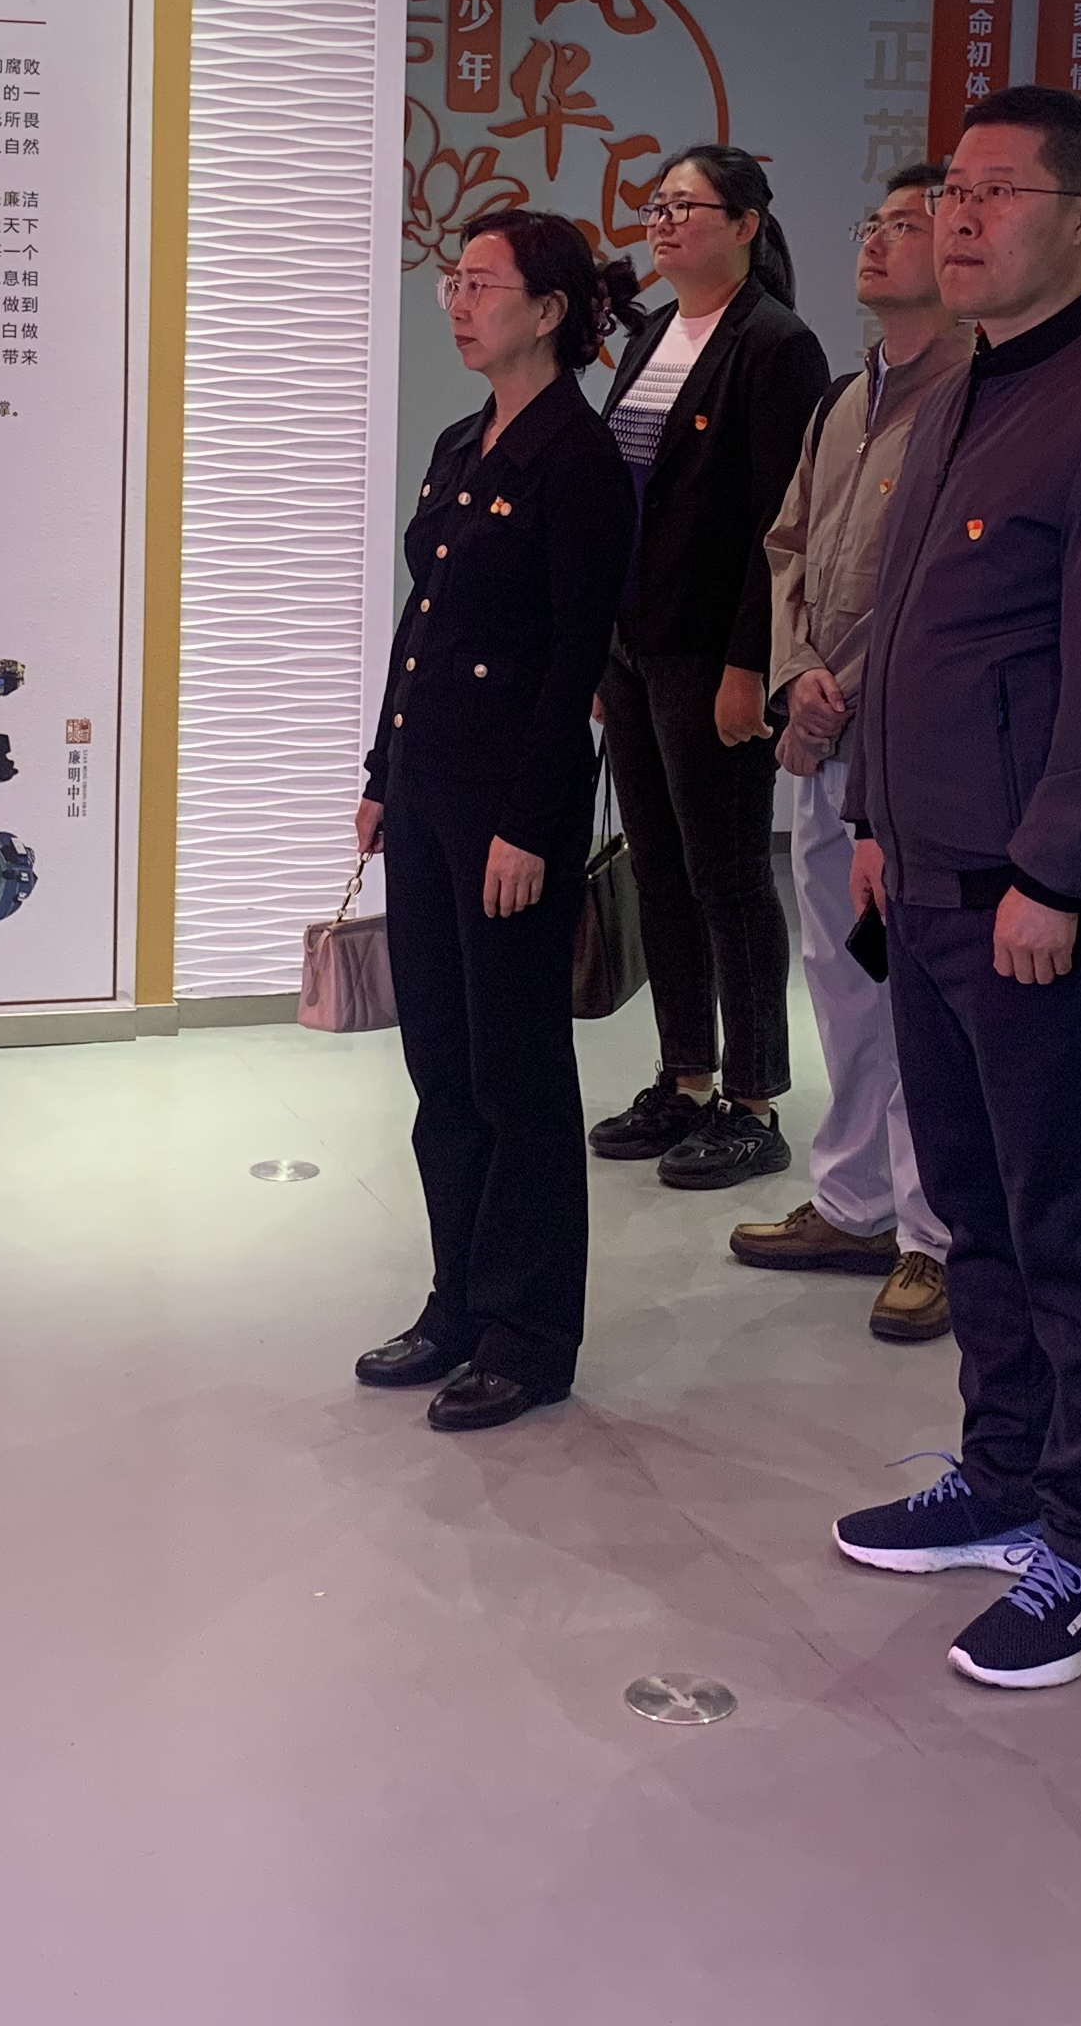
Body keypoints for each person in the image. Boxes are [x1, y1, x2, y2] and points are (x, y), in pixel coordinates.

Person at [825, 87, 1081, 1691]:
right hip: (931, 879)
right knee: (975, 1208)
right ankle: (1004, 1475)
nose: (961, 219)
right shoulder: (965, 385)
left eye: (999, 192)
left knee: (1075, 1224)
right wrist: (873, 814)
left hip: (1049, 904)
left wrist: (1056, 872)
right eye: (951, 195)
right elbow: (909, 628)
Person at [354, 208, 638, 1432]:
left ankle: (530, 1334)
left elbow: (575, 664)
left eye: (484, 284)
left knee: (517, 1072)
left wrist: (531, 823)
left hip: (508, 811)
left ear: (550, 310)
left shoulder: (579, 459)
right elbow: (422, 627)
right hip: (428, 790)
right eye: (453, 284)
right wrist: (382, 769)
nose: (461, 305)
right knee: (442, 1065)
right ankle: (458, 1301)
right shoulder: (463, 439)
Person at [730, 167, 965, 1345]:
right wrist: (793, 678)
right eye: (872, 223)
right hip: (819, 741)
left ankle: (936, 1233)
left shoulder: (974, 396)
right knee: (839, 980)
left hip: (912, 757)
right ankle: (856, 1201)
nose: (875, 241)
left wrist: (846, 692)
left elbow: (946, 591)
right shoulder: (842, 398)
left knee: (918, 995)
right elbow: (787, 549)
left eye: (905, 226)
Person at [586, 144, 833, 1190]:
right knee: (659, 870)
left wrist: (750, 664)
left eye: (686, 206)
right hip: (635, 645)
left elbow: (778, 524)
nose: (663, 222)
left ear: (744, 224)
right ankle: (683, 1076)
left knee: (728, 875)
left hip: (711, 652)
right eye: (657, 206)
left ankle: (755, 1098)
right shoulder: (654, 334)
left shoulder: (775, 344)